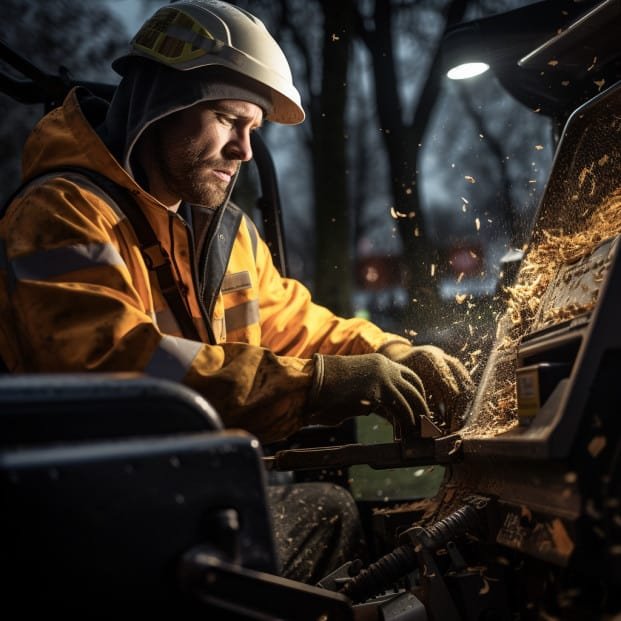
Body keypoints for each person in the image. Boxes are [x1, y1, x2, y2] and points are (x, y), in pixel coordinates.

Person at [0, 0, 473, 584]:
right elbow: (113, 366)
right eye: (228, 118)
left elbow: (298, 326)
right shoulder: (61, 213)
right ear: (161, 104)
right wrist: (320, 383)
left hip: (176, 495)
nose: (245, 151)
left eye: (253, 129)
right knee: (329, 514)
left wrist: (394, 353)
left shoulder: (221, 233)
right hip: (90, 521)